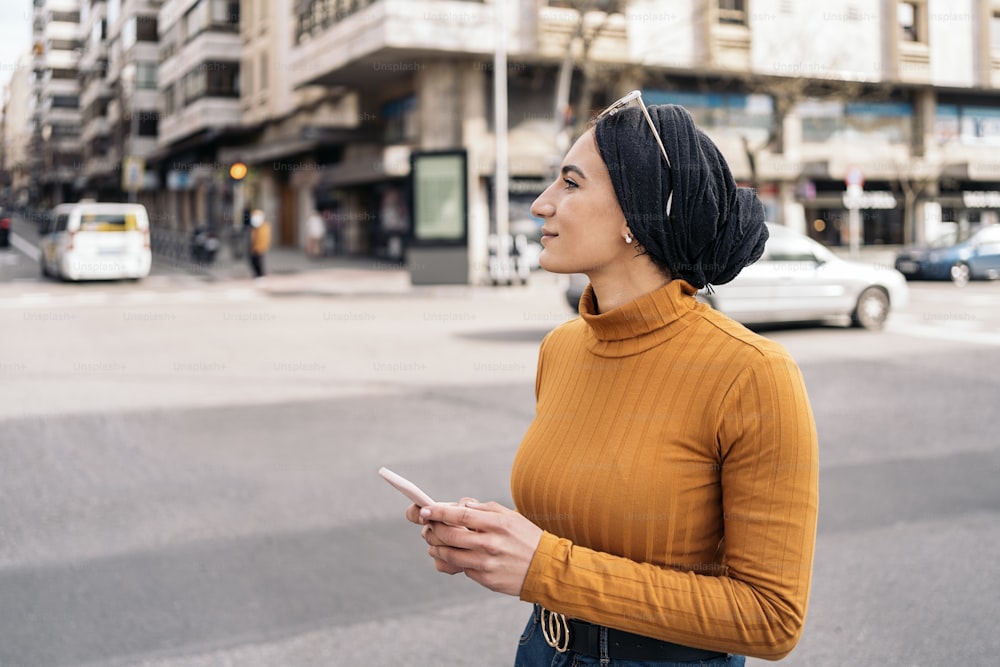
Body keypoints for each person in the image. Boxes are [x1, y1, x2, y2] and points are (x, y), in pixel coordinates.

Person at [406, 92, 819, 666]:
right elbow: (585, 521)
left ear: (637, 213)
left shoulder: (753, 374)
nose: (541, 205)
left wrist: (543, 567)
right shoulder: (562, 348)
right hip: (543, 649)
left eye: (571, 184)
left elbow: (772, 618)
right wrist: (487, 540)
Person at [248, 209, 271, 278]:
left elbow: (264, 239)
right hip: (254, 248)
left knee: (259, 262)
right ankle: (257, 274)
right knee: (254, 262)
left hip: (259, 248)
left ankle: (261, 275)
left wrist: (258, 247)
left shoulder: (264, 227)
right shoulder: (254, 228)